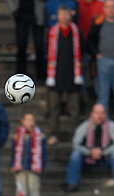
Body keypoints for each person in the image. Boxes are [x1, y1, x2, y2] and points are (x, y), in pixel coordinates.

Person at [64, 103, 114, 192]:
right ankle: (72, 183)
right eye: (97, 113)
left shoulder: (112, 125)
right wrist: (90, 152)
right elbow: (75, 144)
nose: (99, 116)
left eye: (102, 113)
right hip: (88, 158)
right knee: (75, 154)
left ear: (105, 114)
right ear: (92, 114)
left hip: (106, 158)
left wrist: (103, 152)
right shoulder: (84, 126)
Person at [46, 4, 83, 146]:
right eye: (61, 14)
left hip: (73, 74)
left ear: (70, 15)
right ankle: (53, 134)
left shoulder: (76, 32)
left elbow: (82, 49)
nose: (64, 17)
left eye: (66, 14)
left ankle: (75, 135)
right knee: (54, 107)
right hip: (56, 74)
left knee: (74, 108)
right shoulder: (52, 32)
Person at [12, 112, 46, 196]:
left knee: (33, 191)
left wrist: (42, 166)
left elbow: (43, 152)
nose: (30, 122)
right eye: (27, 120)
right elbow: (14, 151)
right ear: (23, 121)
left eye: (32, 119)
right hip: (20, 167)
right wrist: (13, 164)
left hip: (33, 168)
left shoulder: (39, 135)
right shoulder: (18, 134)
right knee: (21, 192)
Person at [8, 0, 46, 80]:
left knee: (39, 46)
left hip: (37, 13)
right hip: (21, 14)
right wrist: (14, 10)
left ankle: (41, 74)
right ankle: (20, 73)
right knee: (21, 46)